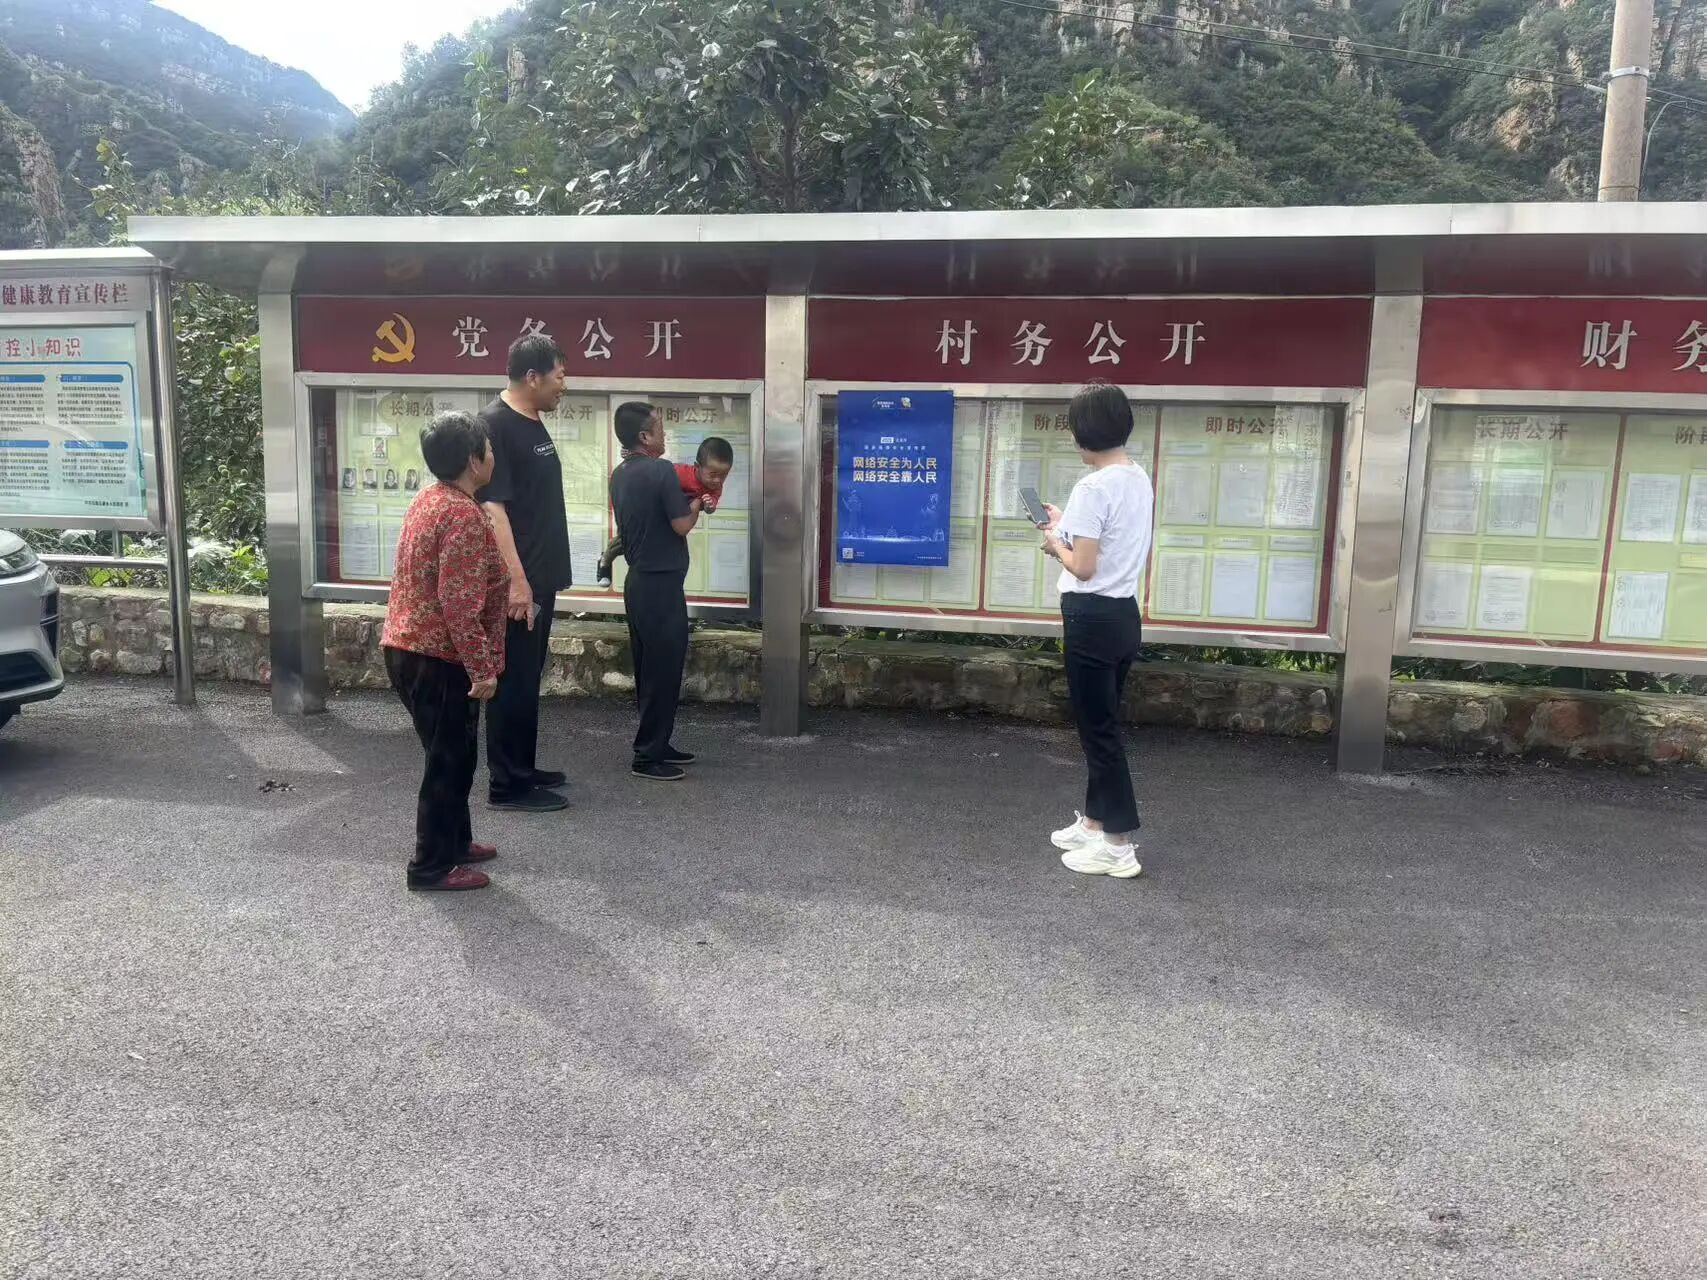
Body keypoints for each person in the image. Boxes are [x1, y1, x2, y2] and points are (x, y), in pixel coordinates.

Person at [380, 411, 510, 892]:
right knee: (447, 761)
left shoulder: (431, 499)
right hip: (437, 657)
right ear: (473, 461)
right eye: (488, 450)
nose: (493, 456)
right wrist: (483, 669)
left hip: (412, 648)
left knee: (456, 754)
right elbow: (459, 605)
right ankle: (430, 867)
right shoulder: (462, 516)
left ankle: (456, 841)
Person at [1037, 383, 1155, 879]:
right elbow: (1108, 541)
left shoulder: (1092, 487)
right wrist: (1066, 525)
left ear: (1082, 433)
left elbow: (1082, 567)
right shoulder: (1136, 477)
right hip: (1123, 614)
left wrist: (1053, 544)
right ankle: (1094, 822)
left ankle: (1118, 845)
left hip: (1090, 615)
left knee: (1098, 731)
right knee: (1101, 723)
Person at [477, 334, 574, 813]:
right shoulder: (494, 424)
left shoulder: (532, 420)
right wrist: (517, 581)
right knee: (513, 679)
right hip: (521, 581)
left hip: (541, 576)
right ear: (532, 377)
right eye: (559, 376)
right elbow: (494, 508)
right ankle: (507, 785)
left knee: (527, 678)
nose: (564, 385)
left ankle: (523, 767)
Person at [608, 400, 703, 781]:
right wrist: (697, 504)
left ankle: (658, 743)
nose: (664, 435)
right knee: (664, 671)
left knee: (650, 670)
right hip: (661, 586)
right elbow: (681, 525)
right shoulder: (661, 471)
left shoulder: (620, 474)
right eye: (660, 429)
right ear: (645, 437)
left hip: (639, 583)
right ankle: (647, 756)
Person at [596, 432, 734, 586]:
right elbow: (654, 470)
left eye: (724, 476)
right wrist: (633, 456)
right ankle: (605, 560)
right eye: (713, 475)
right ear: (697, 467)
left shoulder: (716, 488)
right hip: (652, 510)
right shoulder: (681, 472)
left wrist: (709, 506)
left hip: (672, 519)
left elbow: (710, 507)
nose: (717, 481)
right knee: (625, 540)